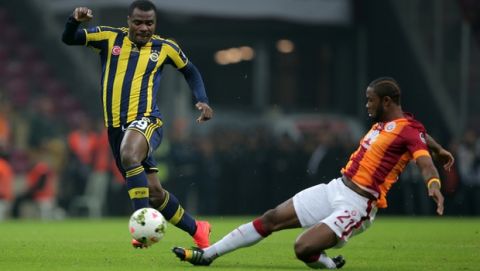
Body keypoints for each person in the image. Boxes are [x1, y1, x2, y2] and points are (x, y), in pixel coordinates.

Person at [172, 77, 455, 269]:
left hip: (358, 205)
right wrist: (440, 149)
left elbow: (423, 159)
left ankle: (327, 264)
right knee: (271, 218)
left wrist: (433, 183)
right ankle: (208, 255)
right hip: (336, 187)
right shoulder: (391, 125)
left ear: (388, 101)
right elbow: (422, 137)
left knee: (302, 248)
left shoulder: (407, 129)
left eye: (371, 100)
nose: (367, 105)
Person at [61, 0, 213, 248]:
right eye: (138, 22)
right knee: (154, 193)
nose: (144, 28)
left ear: (155, 24)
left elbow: (191, 71)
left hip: (146, 121)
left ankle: (141, 227)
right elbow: (69, 39)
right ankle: (198, 229)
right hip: (115, 128)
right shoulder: (109, 38)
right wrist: (74, 21)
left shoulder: (165, 47)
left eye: (149, 23)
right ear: (128, 22)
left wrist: (202, 100)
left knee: (130, 155)